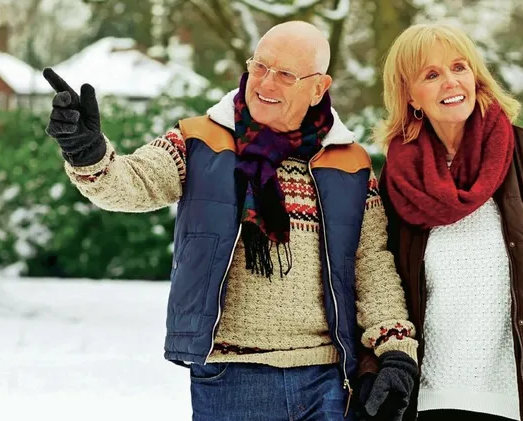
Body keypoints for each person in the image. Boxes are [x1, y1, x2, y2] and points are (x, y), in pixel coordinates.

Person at [42, 20, 419, 421]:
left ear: (318, 88)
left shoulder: (350, 163)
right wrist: (88, 153)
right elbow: (133, 183)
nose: (266, 83)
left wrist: (395, 349)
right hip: (231, 379)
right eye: (261, 66)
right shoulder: (200, 141)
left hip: (327, 381)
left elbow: (372, 264)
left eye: (286, 74)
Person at [359, 23, 523, 421]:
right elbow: (381, 282)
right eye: (431, 74)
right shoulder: (399, 179)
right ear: (410, 95)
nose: (450, 81)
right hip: (430, 398)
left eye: (459, 67)